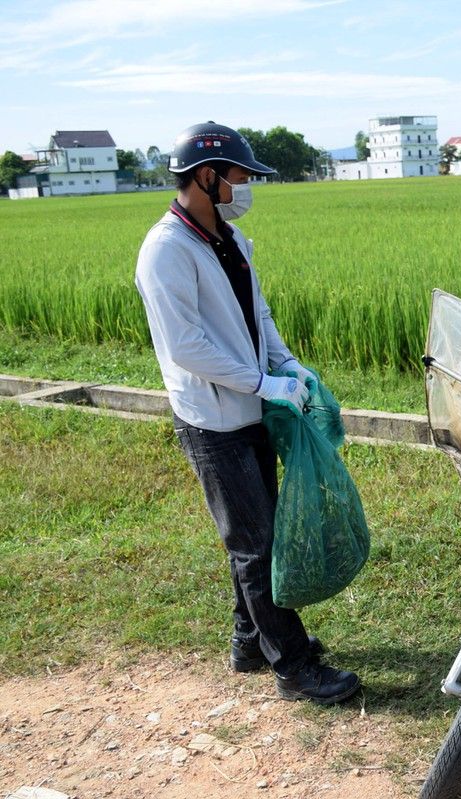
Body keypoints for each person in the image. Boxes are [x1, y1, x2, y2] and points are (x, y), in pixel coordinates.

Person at [134, 121, 360, 705]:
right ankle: (294, 667)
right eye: (240, 176)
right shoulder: (166, 251)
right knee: (255, 546)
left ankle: (248, 640)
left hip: (253, 406)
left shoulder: (227, 240)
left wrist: (288, 366)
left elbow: (255, 317)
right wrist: (261, 381)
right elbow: (185, 346)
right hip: (213, 421)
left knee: (255, 531)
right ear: (206, 178)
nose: (247, 187)